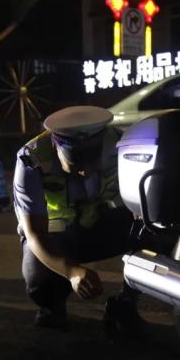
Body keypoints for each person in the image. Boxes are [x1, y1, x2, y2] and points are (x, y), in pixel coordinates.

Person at [13, 105, 143, 331]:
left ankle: (126, 302)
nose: (86, 171)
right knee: (40, 282)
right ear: (56, 145)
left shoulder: (122, 145)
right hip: (56, 236)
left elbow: (143, 204)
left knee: (155, 233)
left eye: (93, 161)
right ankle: (52, 305)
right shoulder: (31, 159)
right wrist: (72, 272)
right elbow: (34, 234)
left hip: (99, 223)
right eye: (76, 162)